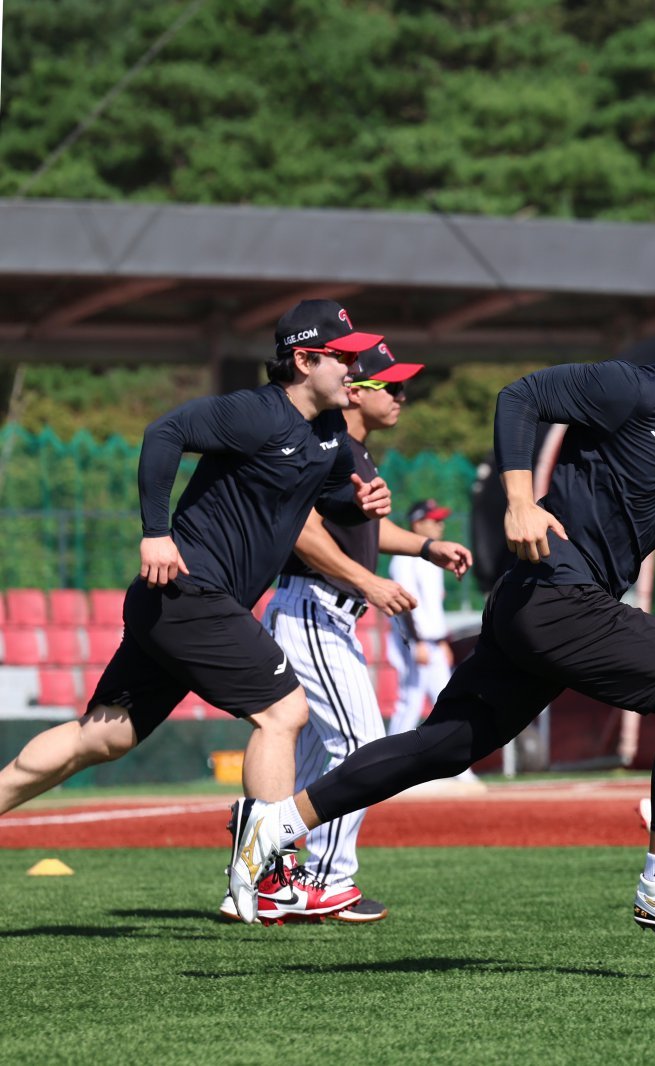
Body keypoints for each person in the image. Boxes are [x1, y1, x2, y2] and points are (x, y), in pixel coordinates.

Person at [227, 262, 655, 935]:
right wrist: (519, 498)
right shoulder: (631, 386)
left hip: (539, 606)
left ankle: (274, 823)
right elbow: (520, 396)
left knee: (443, 747)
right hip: (557, 595)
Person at [0, 299, 392, 924]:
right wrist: (155, 531)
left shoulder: (328, 436)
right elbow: (165, 433)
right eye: (343, 357)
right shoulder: (255, 413)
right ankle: (272, 875)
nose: (356, 367)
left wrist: (361, 501)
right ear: (303, 359)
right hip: (187, 590)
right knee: (284, 712)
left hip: (184, 605)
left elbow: (325, 499)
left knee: (102, 737)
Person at [219, 343, 473, 924]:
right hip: (312, 607)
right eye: (394, 387)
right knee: (360, 743)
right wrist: (370, 584)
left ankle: (263, 876)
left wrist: (425, 546)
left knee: (312, 758)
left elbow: (362, 533)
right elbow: (302, 530)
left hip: (326, 610)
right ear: (358, 390)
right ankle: (325, 880)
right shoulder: (324, 445)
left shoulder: (356, 453)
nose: (404, 397)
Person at [387, 499, 462, 738]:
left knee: (448, 700)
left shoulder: (433, 560)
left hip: (433, 643)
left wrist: (441, 642)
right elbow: (405, 604)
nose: (440, 525)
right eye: (434, 520)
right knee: (410, 702)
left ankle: (460, 768)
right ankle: (388, 763)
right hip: (414, 642)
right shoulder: (404, 558)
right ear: (417, 523)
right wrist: (417, 641)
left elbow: (432, 609)